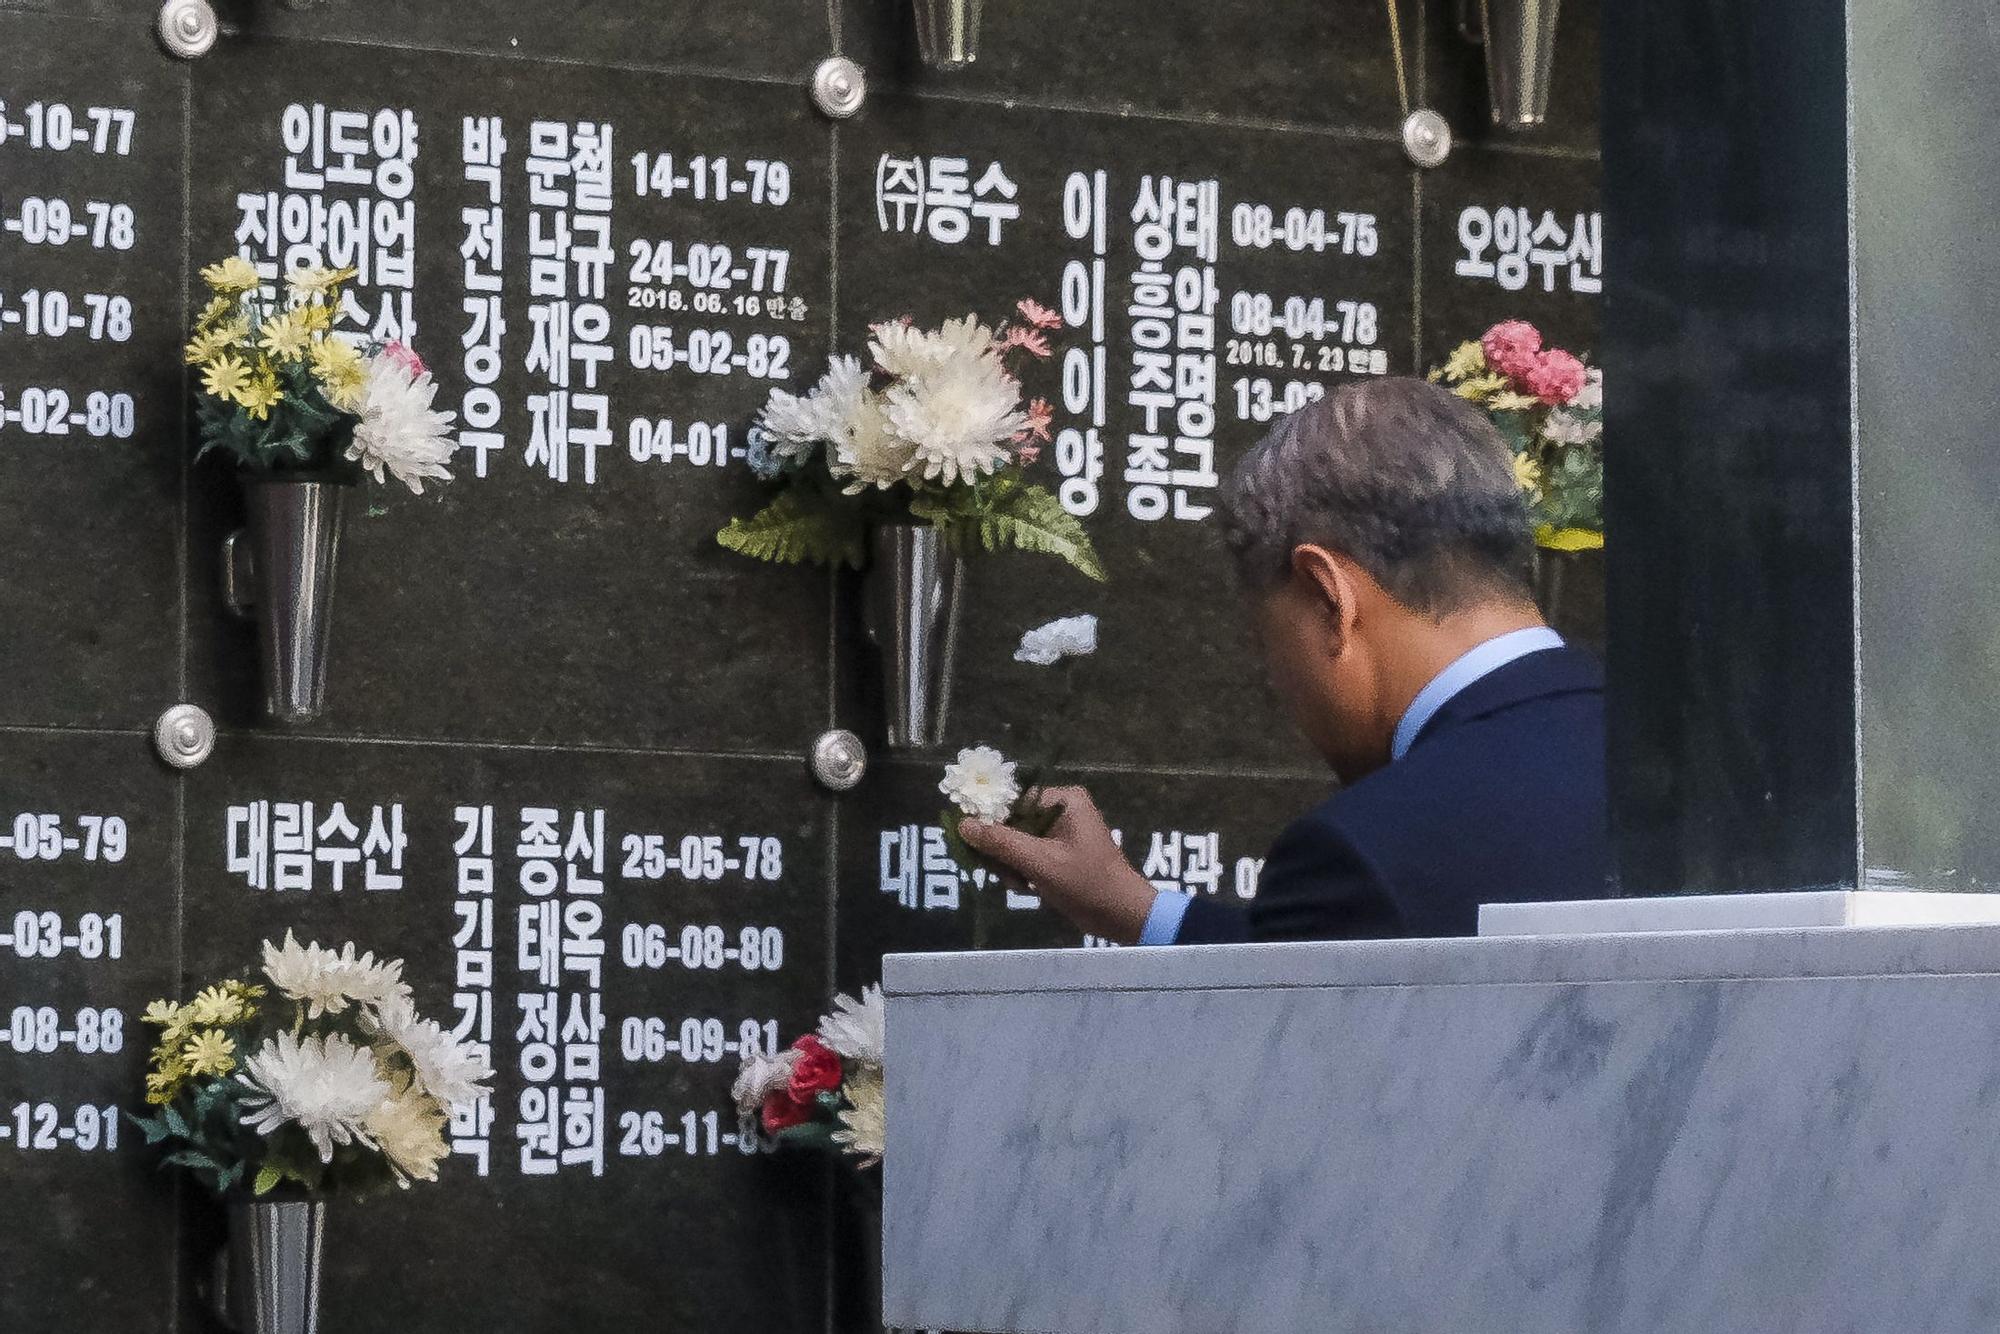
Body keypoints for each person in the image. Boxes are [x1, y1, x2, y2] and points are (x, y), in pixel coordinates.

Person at [961, 377, 1609, 945]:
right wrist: (1138, 912)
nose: (1277, 684)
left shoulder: (1365, 850)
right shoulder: (1690, 767)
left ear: (1330, 599)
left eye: (1267, 642)